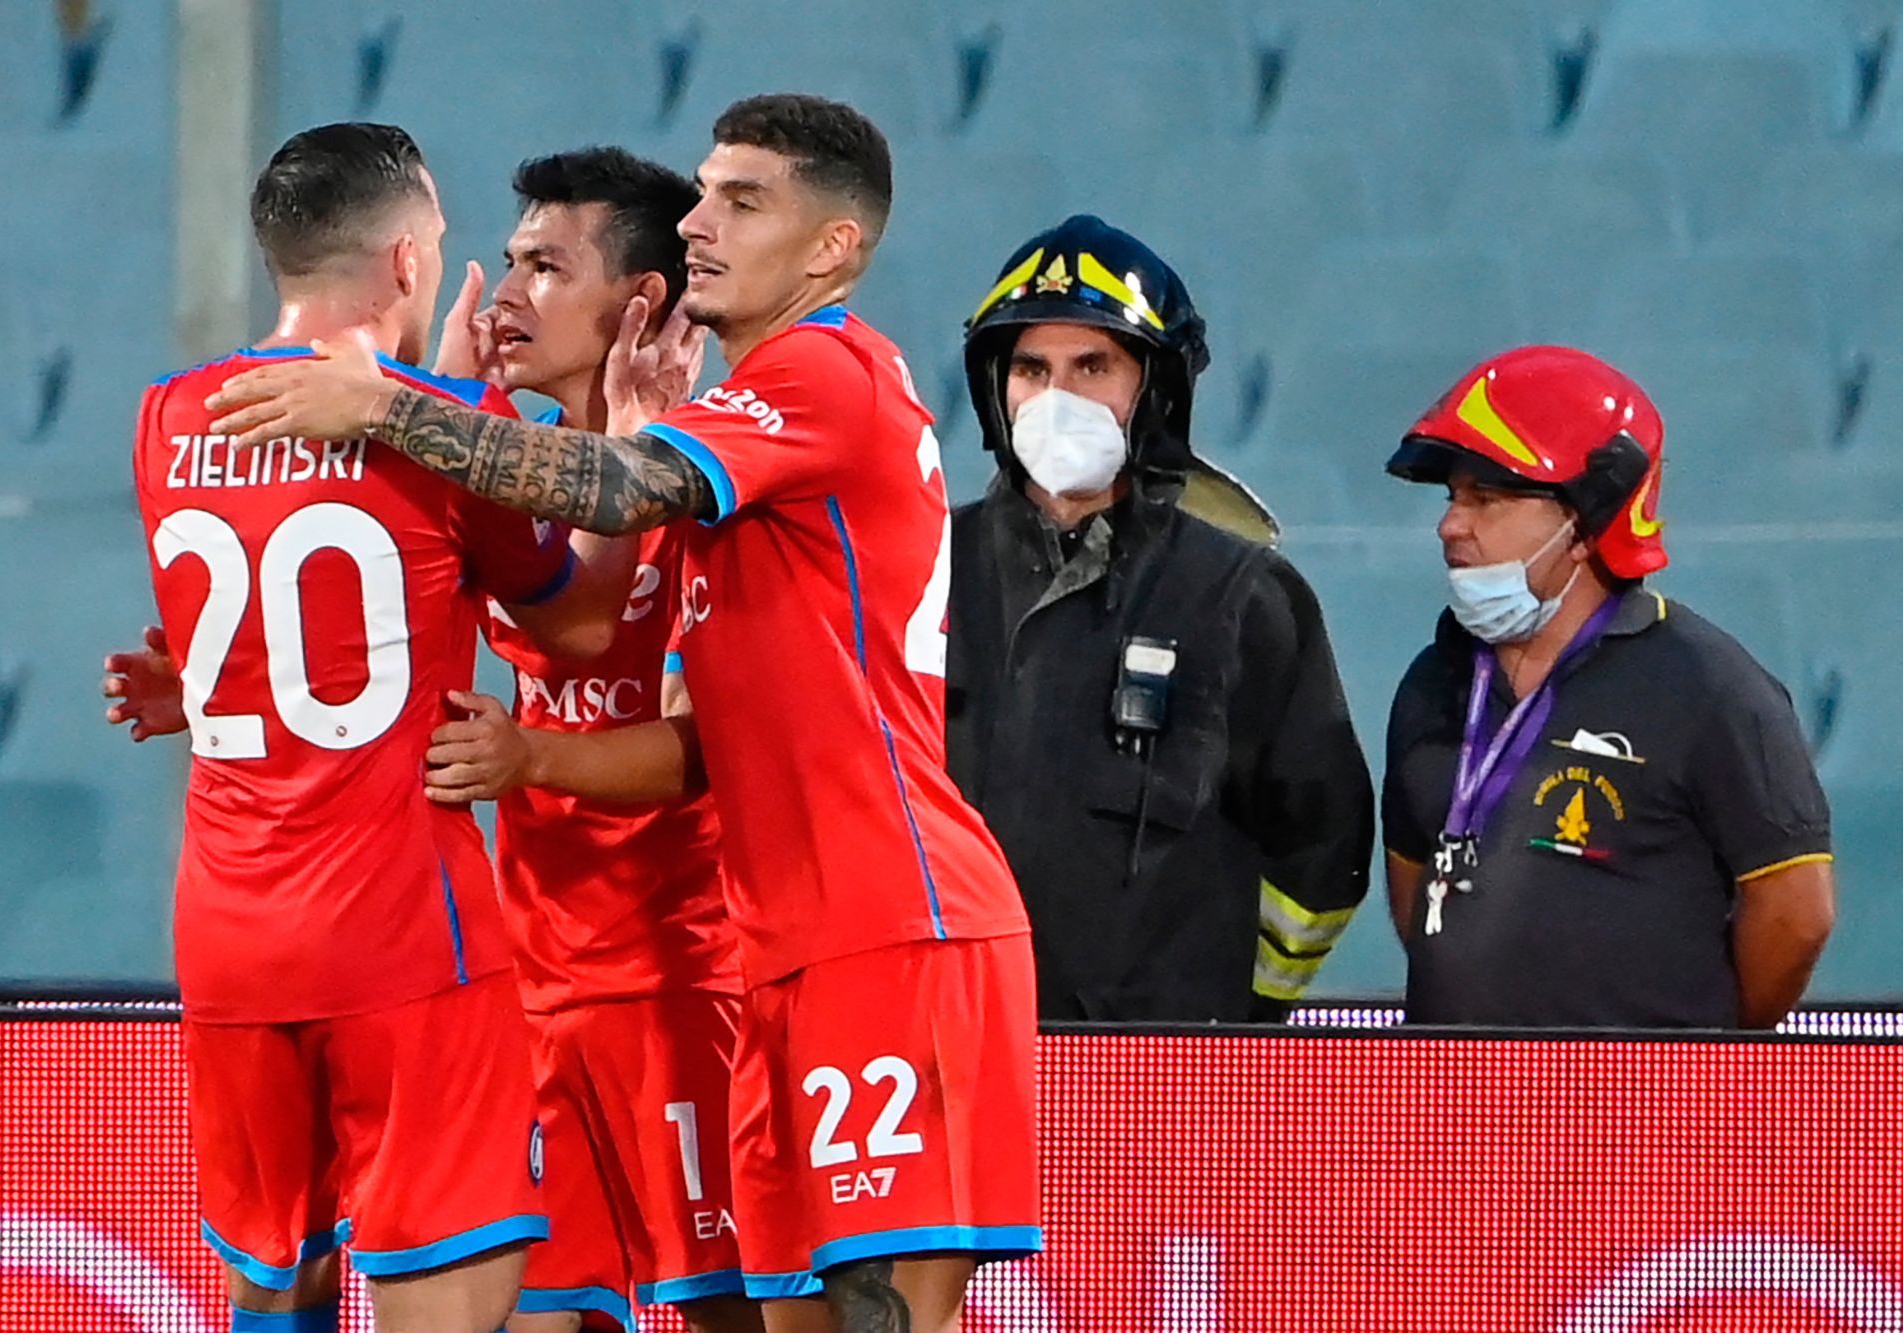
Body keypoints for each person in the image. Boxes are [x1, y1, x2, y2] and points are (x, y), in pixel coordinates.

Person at [202, 94, 1041, 1333]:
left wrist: (390, 404)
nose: (700, 221)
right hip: (769, 948)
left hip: (886, 924)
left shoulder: (824, 371)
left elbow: (625, 494)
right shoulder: (744, 442)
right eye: (703, 193)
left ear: (832, 248)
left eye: (741, 200)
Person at [110, 147, 755, 1333]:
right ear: (408, 259)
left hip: (255, 934)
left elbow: (327, 643)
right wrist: (455, 411)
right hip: (420, 942)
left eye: (538, 264)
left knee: (274, 1275)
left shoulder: (166, 415)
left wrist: (210, 687)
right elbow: (572, 620)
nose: (499, 289)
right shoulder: (449, 434)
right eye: (489, 255)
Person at [945, 215, 1374, 1023]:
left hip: (1157, 1087)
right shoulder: (916, 571)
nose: (1056, 396)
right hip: (942, 1061)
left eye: (1093, 365)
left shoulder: (1246, 597)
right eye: (1031, 368)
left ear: (1158, 389)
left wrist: (1237, 1014)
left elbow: (1322, 852)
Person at [1382, 345, 1837, 1027]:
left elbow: (1797, 915)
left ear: (1585, 519)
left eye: (1488, 498)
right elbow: (1417, 893)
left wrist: (1695, 1046)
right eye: (1452, 498)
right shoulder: (1433, 679)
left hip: (1645, 1117)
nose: (1451, 524)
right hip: (1460, 1110)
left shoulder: (1710, 686)